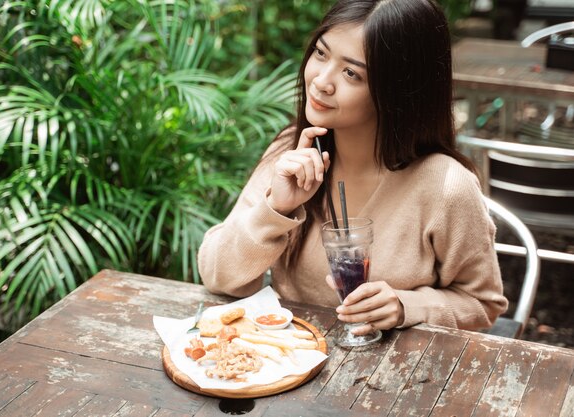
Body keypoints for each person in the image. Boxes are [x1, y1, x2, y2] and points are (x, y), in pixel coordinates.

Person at [198, 0, 508, 335]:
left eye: (351, 73)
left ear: (397, 91)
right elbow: (219, 276)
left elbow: (482, 305)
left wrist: (407, 306)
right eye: (320, 53)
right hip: (290, 363)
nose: (322, 81)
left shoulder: (445, 186)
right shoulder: (292, 152)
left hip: (399, 377)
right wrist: (277, 208)